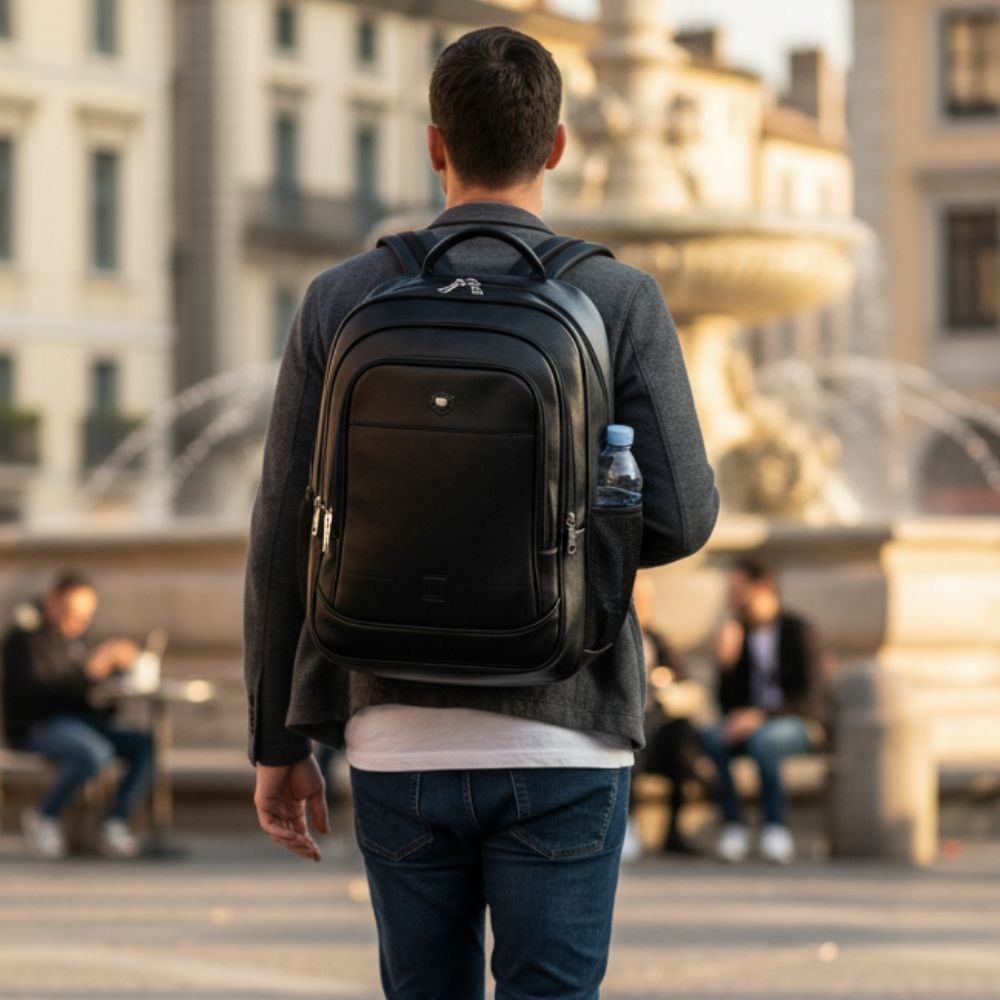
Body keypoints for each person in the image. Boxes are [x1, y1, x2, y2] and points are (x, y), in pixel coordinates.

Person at [245, 26, 719, 999]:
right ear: (555, 146)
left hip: (392, 730)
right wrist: (564, 548)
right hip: (566, 727)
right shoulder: (615, 295)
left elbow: (283, 535)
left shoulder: (343, 297)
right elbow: (685, 511)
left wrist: (278, 739)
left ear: (433, 145)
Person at [1, 571, 154, 859]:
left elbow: (82, 696)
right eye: (74, 615)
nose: (80, 623)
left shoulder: (77, 641)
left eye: (86, 617)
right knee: (94, 752)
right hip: (37, 726)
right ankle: (44, 815)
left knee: (142, 743)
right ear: (52, 603)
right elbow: (41, 691)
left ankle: (114, 824)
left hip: (79, 722)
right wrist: (90, 673)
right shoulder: (25, 640)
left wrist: (114, 684)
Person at [699, 557, 829, 865]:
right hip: (752, 724)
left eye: (739, 590)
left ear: (763, 588)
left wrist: (762, 717)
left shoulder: (798, 630)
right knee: (713, 738)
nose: (734, 599)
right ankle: (733, 827)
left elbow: (811, 698)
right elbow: (727, 707)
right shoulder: (739, 635)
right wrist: (726, 666)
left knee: (765, 741)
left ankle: (775, 828)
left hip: (798, 723)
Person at [623, 574, 705, 861]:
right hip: (627, 723)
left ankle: (674, 831)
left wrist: (666, 687)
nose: (640, 605)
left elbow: (688, 685)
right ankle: (627, 825)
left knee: (683, 735)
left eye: (644, 600)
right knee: (632, 736)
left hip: (658, 724)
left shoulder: (658, 641)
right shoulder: (610, 638)